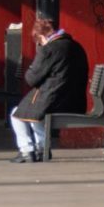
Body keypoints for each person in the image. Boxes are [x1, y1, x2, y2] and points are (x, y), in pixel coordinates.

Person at [7, 16, 88, 163]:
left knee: (16, 114)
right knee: (33, 113)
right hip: (75, 100)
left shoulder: (49, 49)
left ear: (41, 36)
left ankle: (27, 150)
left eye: (38, 41)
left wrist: (36, 58)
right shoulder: (76, 46)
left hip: (55, 99)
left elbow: (31, 79)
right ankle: (42, 148)